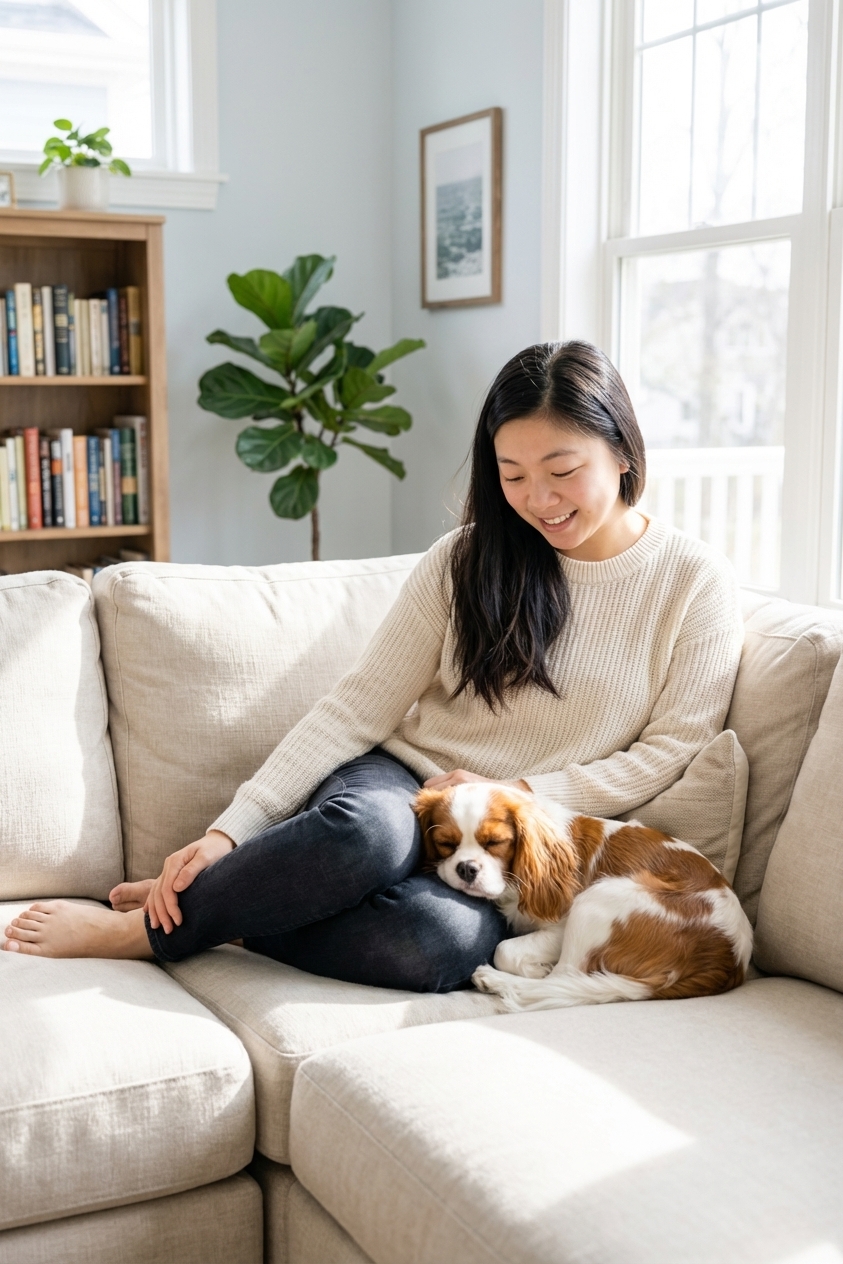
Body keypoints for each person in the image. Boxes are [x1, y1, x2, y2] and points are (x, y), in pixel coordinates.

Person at [3, 341, 743, 990]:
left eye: (562, 470)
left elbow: (672, 750)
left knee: (439, 943)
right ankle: (149, 934)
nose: (537, 500)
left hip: (515, 835)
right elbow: (356, 708)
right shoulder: (465, 559)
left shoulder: (692, 581)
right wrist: (230, 831)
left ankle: (233, 914)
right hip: (402, 783)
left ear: (621, 452)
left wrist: (514, 790)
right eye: (511, 474)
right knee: (368, 836)